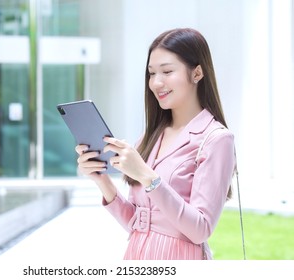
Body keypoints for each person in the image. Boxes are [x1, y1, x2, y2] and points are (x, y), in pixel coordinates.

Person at [75, 28, 236, 260]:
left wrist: (148, 177)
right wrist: (102, 181)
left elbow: (200, 230)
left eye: (167, 71)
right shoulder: (150, 137)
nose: (156, 83)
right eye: (151, 74)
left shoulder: (216, 139)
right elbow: (135, 222)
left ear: (197, 73)